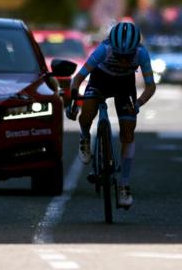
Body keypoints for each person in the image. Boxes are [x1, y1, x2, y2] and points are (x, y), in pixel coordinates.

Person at [65, 21, 156, 208]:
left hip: (125, 85)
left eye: (127, 56)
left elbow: (150, 86)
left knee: (128, 131)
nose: (124, 60)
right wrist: (74, 100)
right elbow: (78, 79)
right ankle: (84, 138)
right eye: (120, 56)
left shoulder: (141, 53)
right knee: (88, 111)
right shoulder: (103, 49)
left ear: (135, 50)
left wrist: (138, 104)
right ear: (113, 48)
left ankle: (124, 184)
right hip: (100, 80)